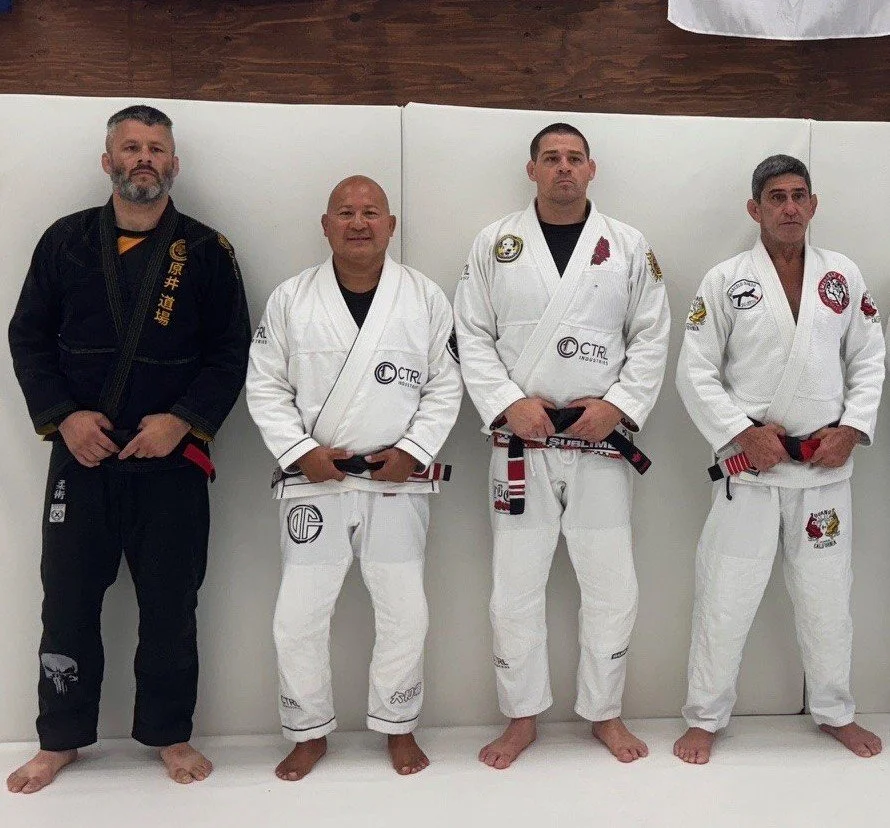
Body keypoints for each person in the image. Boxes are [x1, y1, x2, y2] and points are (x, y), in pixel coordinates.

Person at [6, 105, 251, 793]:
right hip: (80, 456)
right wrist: (63, 418)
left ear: (174, 164)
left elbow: (231, 351)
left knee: (171, 603)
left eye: (156, 148)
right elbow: (27, 338)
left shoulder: (207, 251)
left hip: (169, 460)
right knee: (67, 600)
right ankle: (59, 739)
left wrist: (183, 421)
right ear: (107, 161)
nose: (144, 158)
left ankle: (170, 734)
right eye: (131, 147)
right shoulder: (64, 241)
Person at [453, 123, 670, 767]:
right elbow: (471, 332)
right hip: (520, 443)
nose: (564, 168)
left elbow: (651, 335)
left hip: (598, 442)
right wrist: (508, 403)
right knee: (514, 587)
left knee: (612, 584)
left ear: (592, 169)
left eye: (575, 158)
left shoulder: (628, 245)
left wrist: (618, 406)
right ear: (533, 169)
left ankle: (605, 711)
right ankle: (521, 716)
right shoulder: (495, 243)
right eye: (551, 158)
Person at [246, 175, 462, 780]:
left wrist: (414, 449)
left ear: (391, 225)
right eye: (346, 212)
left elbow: (446, 383)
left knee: (405, 611)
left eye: (371, 213)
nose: (359, 223)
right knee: (297, 616)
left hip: (396, 481)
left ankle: (398, 723)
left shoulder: (423, 296)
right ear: (326, 225)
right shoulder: (291, 298)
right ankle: (307, 730)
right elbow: (265, 383)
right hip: (313, 481)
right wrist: (300, 452)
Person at [674, 154, 885, 764]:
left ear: (813, 205)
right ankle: (705, 717)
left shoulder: (841, 274)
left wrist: (853, 428)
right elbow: (695, 371)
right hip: (751, 472)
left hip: (823, 468)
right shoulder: (725, 280)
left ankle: (836, 711)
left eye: (798, 196)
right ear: (755, 209)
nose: (789, 207)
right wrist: (742, 434)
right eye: (776, 197)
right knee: (725, 594)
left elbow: (869, 357)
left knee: (828, 599)